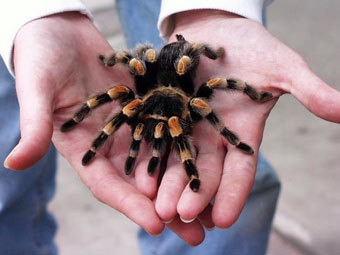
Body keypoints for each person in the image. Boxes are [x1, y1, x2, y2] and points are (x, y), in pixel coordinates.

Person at [1, 1, 339, 254]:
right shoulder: (137, 101)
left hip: (179, 86)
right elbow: (130, 68)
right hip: (151, 87)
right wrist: (38, 11)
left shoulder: (194, 99)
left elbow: (220, 81)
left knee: (203, 83)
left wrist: (216, 9)